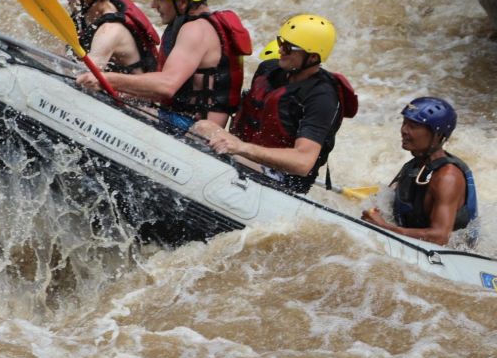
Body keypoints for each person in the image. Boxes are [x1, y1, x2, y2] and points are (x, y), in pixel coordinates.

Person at [76, 0, 252, 130]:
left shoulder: (196, 30)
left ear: (182, 2)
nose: (153, 5)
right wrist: (117, 89)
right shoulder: (196, 25)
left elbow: (167, 86)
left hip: (193, 131)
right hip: (181, 118)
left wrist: (106, 78)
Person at [194, 14, 358, 194]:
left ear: (312, 58)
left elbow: (303, 162)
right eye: (281, 43)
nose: (281, 50)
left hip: (283, 178)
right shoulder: (269, 69)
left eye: (288, 48)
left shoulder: (322, 98)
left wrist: (241, 148)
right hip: (245, 155)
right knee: (203, 127)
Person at [362, 97, 478, 245]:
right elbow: (386, 199)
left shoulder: (448, 177)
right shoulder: (414, 165)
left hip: (450, 256)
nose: (404, 130)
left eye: (413, 126)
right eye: (404, 123)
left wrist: (385, 227)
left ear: (437, 135)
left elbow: (441, 237)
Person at [56, 0, 160, 73]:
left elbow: (86, 75)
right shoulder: (87, 14)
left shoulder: (110, 31)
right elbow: (63, 57)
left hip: (132, 90)